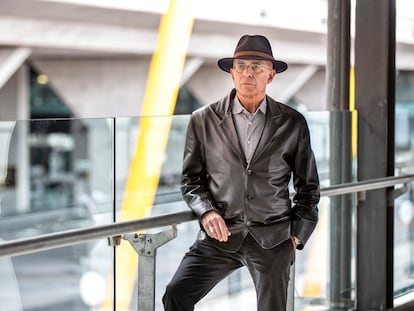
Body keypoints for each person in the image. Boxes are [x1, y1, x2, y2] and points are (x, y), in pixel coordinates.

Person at [162, 34, 320, 311]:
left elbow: (309, 187)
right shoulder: (203, 120)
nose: (248, 72)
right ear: (232, 73)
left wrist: (297, 234)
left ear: (270, 76)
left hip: (273, 238)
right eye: (242, 66)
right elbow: (190, 180)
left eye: (256, 67)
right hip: (220, 237)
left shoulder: (293, 123)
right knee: (176, 294)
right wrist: (206, 211)